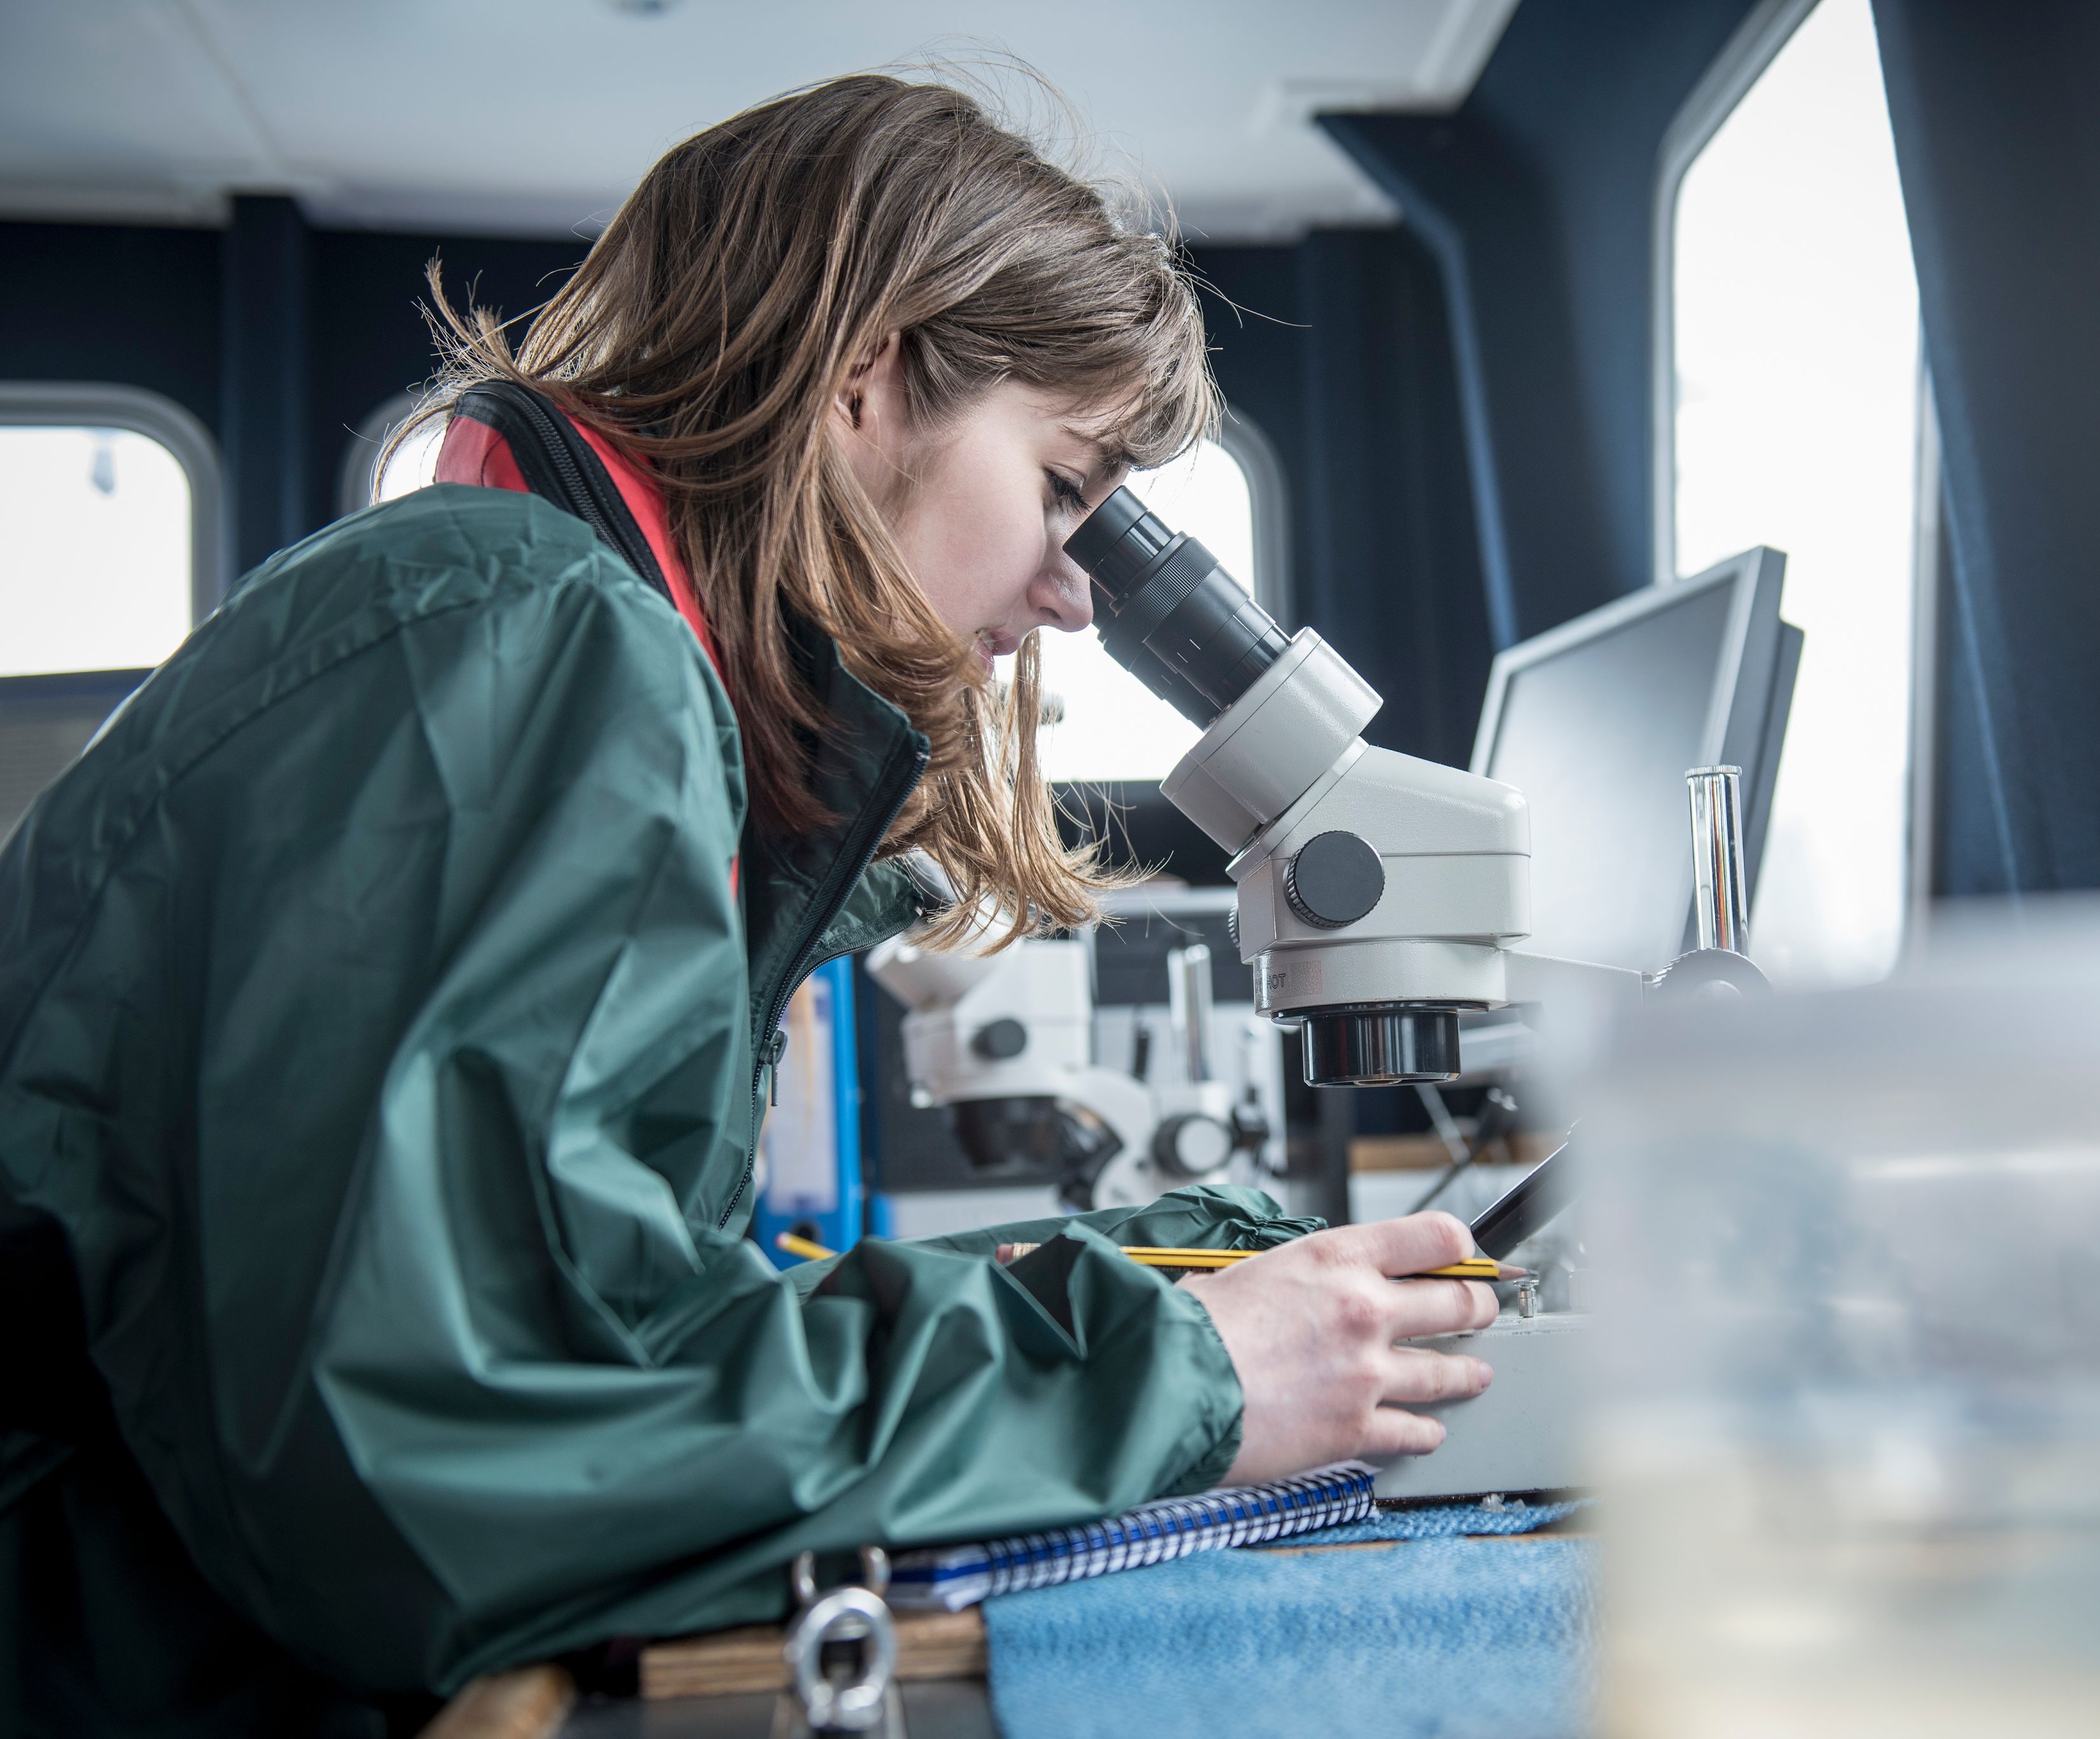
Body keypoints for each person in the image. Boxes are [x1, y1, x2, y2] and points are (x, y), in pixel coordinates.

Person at [0, 74, 1493, 1735]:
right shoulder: (530, 649)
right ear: (870, 371)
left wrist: (1183, 1285)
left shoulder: (511, 610)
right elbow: (474, 1458)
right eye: (1065, 484)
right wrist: (1194, 1373)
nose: (1079, 590)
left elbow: (585, 1321)